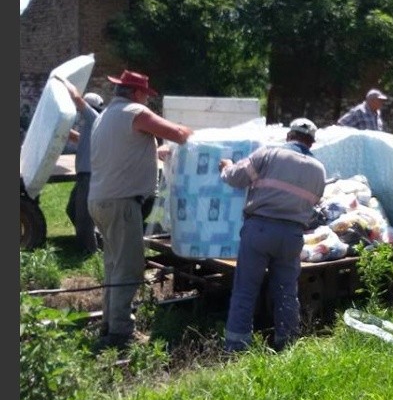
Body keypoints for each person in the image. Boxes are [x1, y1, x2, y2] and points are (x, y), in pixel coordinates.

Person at [88, 70, 193, 351]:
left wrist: (154, 153)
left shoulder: (105, 116)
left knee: (114, 266)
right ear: (136, 93)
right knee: (129, 267)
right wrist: (206, 136)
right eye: (146, 94)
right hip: (122, 203)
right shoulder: (135, 112)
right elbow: (178, 133)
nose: (147, 99)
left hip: (101, 200)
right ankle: (121, 333)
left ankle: (110, 324)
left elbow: (122, 152)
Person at [219, 118, 326, 353]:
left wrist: (226, 166)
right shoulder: (319, 169)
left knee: (246, 288)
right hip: (292, 235)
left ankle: (236, 346)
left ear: (290, 136)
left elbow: (237, 177)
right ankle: (286, 343)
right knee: (286, 290)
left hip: (259, 230)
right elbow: (316, 201)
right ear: (311, 142)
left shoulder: (268, 153)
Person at [53, 75, 105, 255]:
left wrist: (62, 81)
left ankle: (89, 251)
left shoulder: (94, 117)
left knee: (83, 216)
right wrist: (60, 128)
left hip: (89, 175)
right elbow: (79, 139)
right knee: (72, 209)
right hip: (84, 175)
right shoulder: (90, 124)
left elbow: (77, 98)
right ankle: (95, 240)